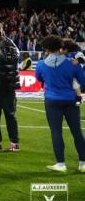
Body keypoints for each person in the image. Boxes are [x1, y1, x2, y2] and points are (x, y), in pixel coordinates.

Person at [35, 35, 85, 173]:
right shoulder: (72, 63)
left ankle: (61, 164)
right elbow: (83, 81)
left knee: (56, 132)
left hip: (52, 101)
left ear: (46, 49)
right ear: (60, 46)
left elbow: (39, 78)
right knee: (77, 132)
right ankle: (83, 163)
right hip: (70, 100)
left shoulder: (41, 64)